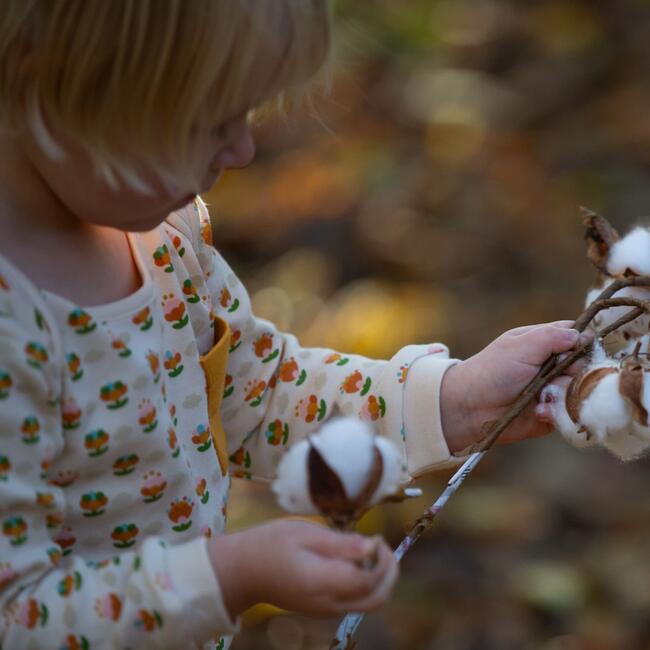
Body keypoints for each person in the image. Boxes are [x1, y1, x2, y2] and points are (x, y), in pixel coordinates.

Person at [0, 2, 586, 648]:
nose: (243, 150)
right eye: (205, 121)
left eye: (245, 114)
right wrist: (230, 576)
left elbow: (256, 393)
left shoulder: (161, 232)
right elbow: (17, 618)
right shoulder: (14, 325)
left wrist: (456, 400)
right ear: (51, 83)